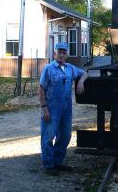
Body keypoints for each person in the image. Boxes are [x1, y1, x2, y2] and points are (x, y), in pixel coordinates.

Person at [38, 42, 88, 176]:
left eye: (64, 52)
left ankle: (57, 162)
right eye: (59, 52)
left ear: (67, 55)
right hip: (51, 108)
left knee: (65, 135)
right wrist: (44, 108)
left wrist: (81, 82)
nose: (61, 54)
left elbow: (84, 73)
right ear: (55, 54)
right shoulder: (49, 69)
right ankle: (48, 165)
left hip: (66, 109)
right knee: (48, 136)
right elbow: (41, 89)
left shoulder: (71, 68)